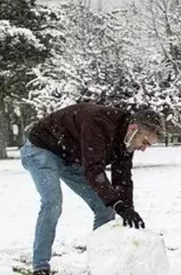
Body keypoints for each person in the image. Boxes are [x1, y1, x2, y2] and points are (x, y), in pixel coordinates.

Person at [20, 103, 163, 275]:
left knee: (105, 207)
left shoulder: (127, 139)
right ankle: (40, 267)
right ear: (133, 128)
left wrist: (127, 207)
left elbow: (122, 176)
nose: (144, 148)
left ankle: (100, 264)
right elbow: (94, 169)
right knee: (52, 203)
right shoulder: (98, 122)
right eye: (145, 142)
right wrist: (118, 203)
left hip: (70, 158)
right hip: (41, 149)